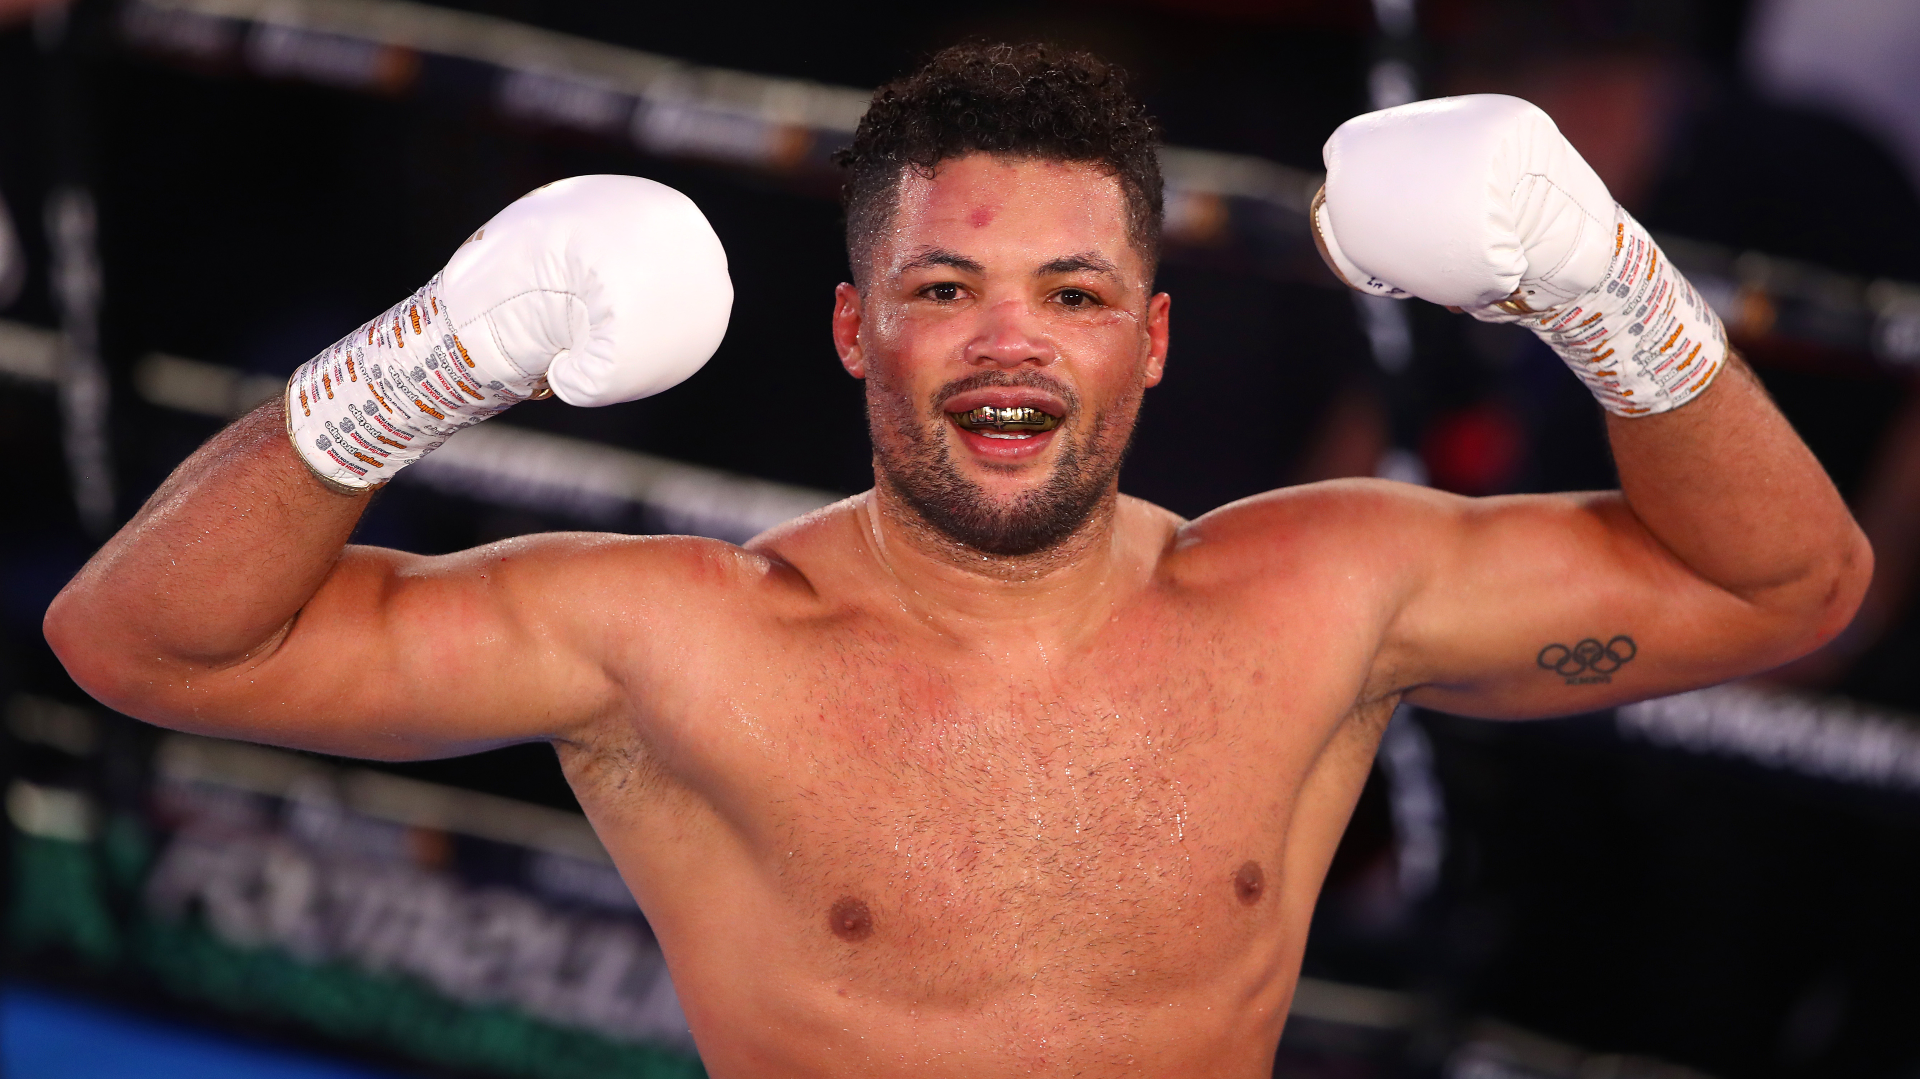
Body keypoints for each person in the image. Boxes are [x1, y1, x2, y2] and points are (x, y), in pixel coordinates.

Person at [44, 44, 1866, 1076]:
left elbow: (1785, 586)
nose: (1011, 345)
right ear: (857, 332)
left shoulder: (1323, 596)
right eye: (945, 290)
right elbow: (150, 649)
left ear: (1151, 342)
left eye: (1073, 294)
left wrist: (1605, 285)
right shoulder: (678, 643)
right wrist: (426, 357)